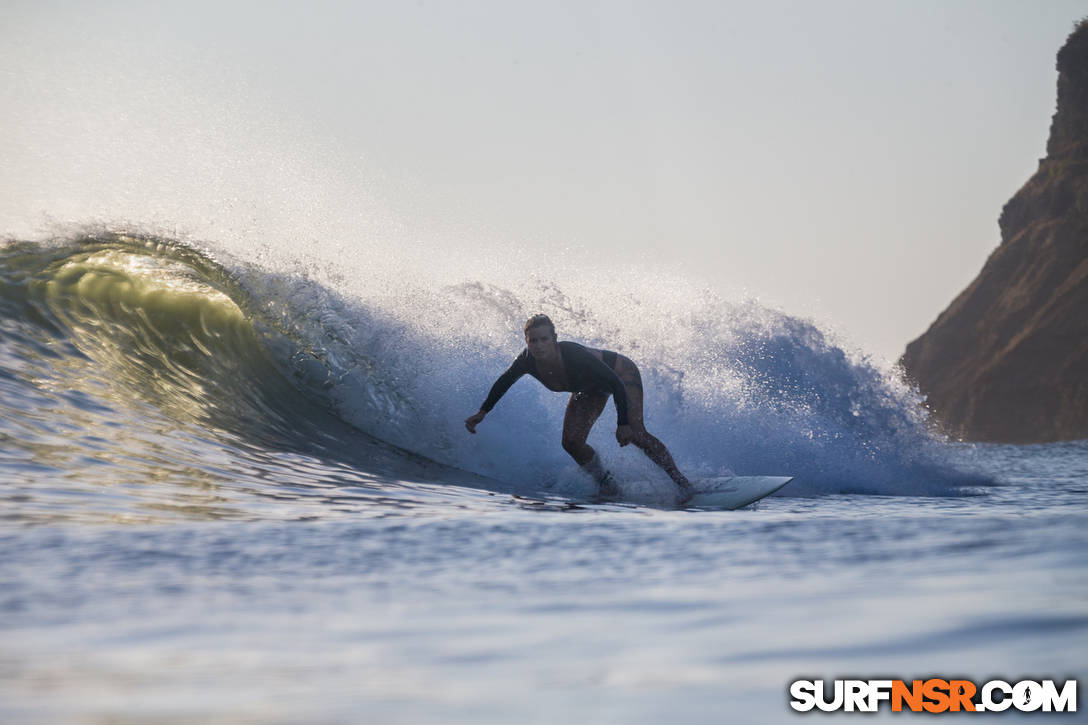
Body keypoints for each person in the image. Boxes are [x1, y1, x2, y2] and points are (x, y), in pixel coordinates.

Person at [465, 314, 694, 503]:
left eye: (544, 339)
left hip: (620, 373)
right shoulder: (525, 361)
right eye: (533, 341)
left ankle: (681, 482)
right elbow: (504, 382)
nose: (539, 345)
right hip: (588, 388)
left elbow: (614, 382)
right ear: (526, 341)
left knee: (636, 432)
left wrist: (622, 423)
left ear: (554, 339)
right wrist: (482, 412)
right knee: (571, 442)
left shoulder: (573, 354)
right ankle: (607, 484)